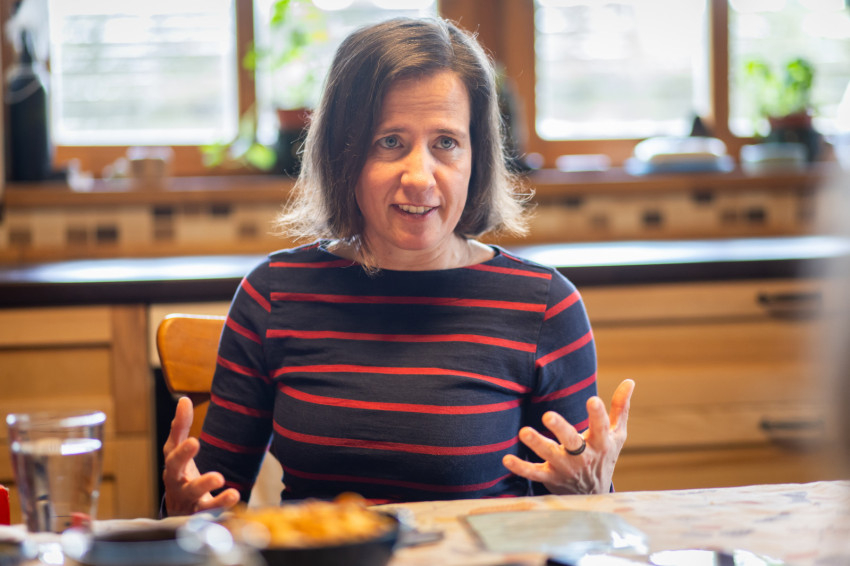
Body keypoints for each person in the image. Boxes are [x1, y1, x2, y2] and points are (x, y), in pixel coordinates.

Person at [162, 17, 635, 516]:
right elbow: (208, 505)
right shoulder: (273, 295)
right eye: (390, 141)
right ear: (343, 154)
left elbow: (575, 522)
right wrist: (180, 506)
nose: (419, 178)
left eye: (446, 142)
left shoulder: (545, 306)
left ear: (476, 156)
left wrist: (590, 494)